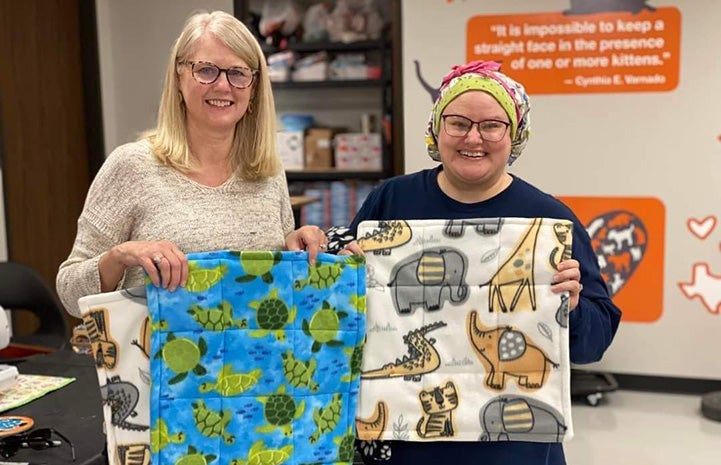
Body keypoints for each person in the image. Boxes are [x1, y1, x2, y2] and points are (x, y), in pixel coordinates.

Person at [338, 61, 622, 464]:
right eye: (458, 123)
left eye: (492, 125)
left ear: (515, 134)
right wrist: (340, 268)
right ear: (437, 129)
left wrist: (572, 308)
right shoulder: (391, 201)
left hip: (514, 446)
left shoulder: (548, 221)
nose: (474, 138)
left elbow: (595, 341)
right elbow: (343, 311)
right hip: (405, 442)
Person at [57, 11, 327, 318]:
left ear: (253, 89)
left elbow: (275, 290)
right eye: (206, 70)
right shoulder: (132, 166)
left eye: (238, 73)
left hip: (257, 363)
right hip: (157, 363)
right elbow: (69, 291)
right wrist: (120, 256)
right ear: (179, 78)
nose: (223, 86)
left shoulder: (267, 173)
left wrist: (295, 247)